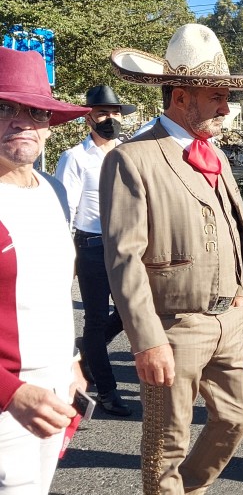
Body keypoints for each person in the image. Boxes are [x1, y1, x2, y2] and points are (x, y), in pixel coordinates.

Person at [101, 24, 243, 494]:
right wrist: (146, 340)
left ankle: (190, 489)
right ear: (181, 97)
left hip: (229, 321)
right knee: (167, 443)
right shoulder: (132, 159)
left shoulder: (212, 153)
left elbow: (235, 229)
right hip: (173, 328)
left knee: (238, 420)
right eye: (216, 96)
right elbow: (124, 259)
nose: (226, 107)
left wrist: (240, 293)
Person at [0, 47, 90, 493]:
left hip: (53, 393)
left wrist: (70, 361)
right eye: (4, 108)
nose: (22, 121)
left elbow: (51, 290)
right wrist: (10, 392)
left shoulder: (53, 190)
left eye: (35, 110)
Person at [55, 85, 137, 416]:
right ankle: (106, 390)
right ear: (89, 117)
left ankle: (88, 353)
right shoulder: (75, 158)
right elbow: (65, 211)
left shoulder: (129, 154)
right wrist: (65, 258)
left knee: (130, 313)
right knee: (96, 319)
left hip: (128, 246)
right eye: (103, 113)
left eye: (115, 112)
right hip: (91, 246)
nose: (110, 119)